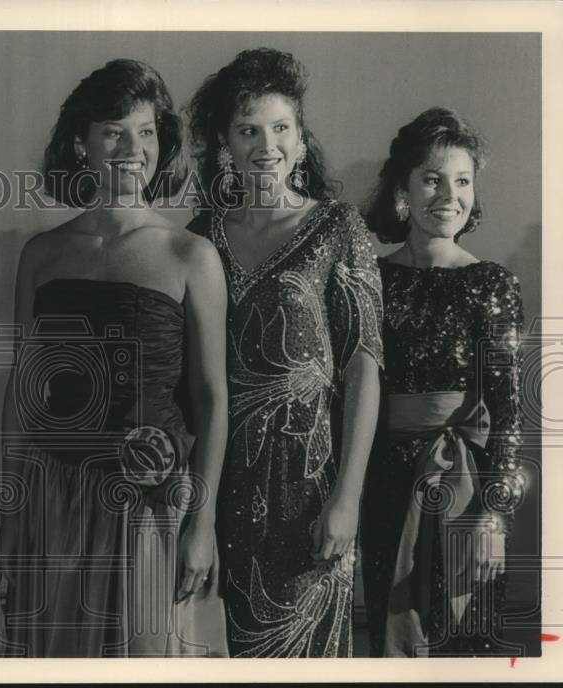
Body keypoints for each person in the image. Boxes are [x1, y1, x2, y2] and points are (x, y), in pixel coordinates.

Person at [0, 59, 229, 657]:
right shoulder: (42, 254)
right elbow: (26, 392)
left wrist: (202, 524)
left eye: (147, 131)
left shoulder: (189, 254)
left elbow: (211, 400)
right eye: (113, 131)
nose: (133, 148)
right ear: (81, 143)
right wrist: (13, 510)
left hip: (149, 506)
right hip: (56, 499)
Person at [186, 47, 383, 657]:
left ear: (300, 140)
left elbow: (363, 365)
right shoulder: (198, 238)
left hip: (312, 496)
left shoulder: (337, 226)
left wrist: (347, 497)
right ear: (225, 144)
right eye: (248, 130)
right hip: (221, 491)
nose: (265, 145)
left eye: (280, 128)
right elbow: (193, 385)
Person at [360, 107, 524, 657]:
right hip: (383, 485)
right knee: (392, 630)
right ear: (402, 189)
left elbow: (508, 413)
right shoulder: (372, 278)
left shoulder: (490, 283)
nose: (448, 195)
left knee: (463, 640)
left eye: (461, 180)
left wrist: (494, 516)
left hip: (467, 491)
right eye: (432, 179)